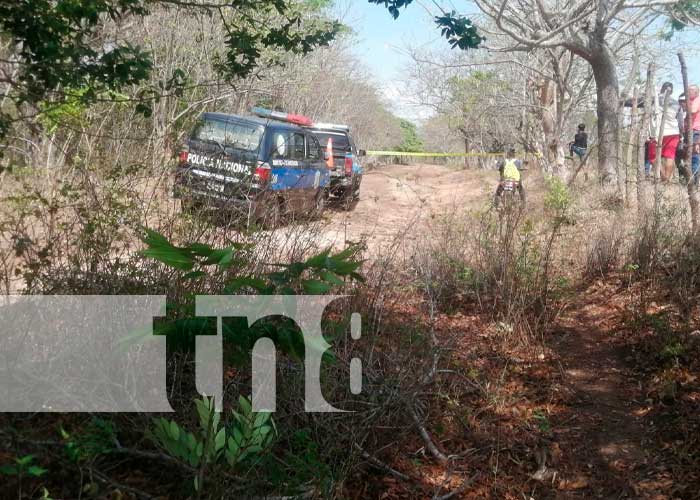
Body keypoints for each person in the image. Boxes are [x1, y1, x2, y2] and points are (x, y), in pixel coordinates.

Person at [650, 82, 680, 182]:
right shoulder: (676, 103)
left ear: (662, 89)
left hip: (657, 132)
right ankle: (666, 180)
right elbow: (680, 120)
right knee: (669, 156)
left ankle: (663, 178)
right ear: (672, 91)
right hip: (673, 132)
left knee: (653, 156)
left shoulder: (654, 100)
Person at [689, 84, 700, 183]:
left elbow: (692, 110)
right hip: (694, 129)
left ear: (696, 92)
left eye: (690, 91)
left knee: (695, 154)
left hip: (696, 130)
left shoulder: (697, 100)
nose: (688, 92)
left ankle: (695, 180)